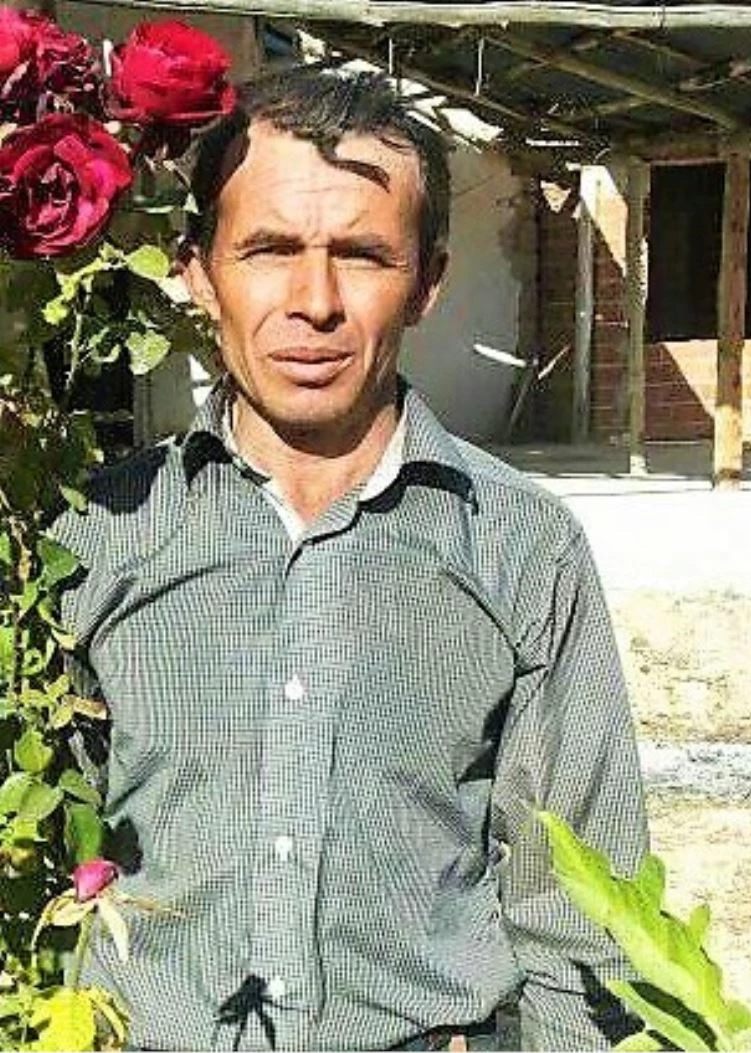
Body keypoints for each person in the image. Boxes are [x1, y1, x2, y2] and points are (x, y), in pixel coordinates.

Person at [53, 65, 649, 1052]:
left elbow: (584, 912)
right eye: (269, 250)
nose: (314, 301)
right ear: (197, 271)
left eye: (363, 255)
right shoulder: (96, 538)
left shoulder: (520, 548)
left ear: (426, 283)